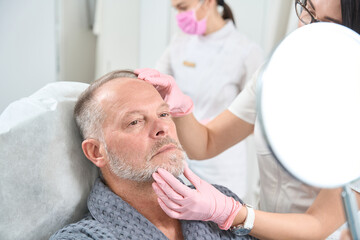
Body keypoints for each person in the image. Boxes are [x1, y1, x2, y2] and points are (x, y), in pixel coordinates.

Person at [135, 0, 360, 239]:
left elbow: (315, 226)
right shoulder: (274, 75)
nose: (307, 27)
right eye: (309, 11)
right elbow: (206, 143)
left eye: (328, 23)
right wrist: (181, 107)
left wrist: (235, 213)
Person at [50, 70, 256, 240]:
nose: (162, 128)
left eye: (164, 114)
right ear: (96, 152)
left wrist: (235, 215)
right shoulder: (82, 237)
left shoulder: (221, 205)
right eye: (135, 121)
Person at [156, 0, 264, 199]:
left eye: (182, 8)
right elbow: (156, 85)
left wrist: (208, 128)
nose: (179, 16)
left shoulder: (246, 51)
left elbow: (257, 115)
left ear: (207, 3)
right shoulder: (179, 43)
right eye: (176, 9)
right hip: (180, 155)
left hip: (222, 163)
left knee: (221, 222)